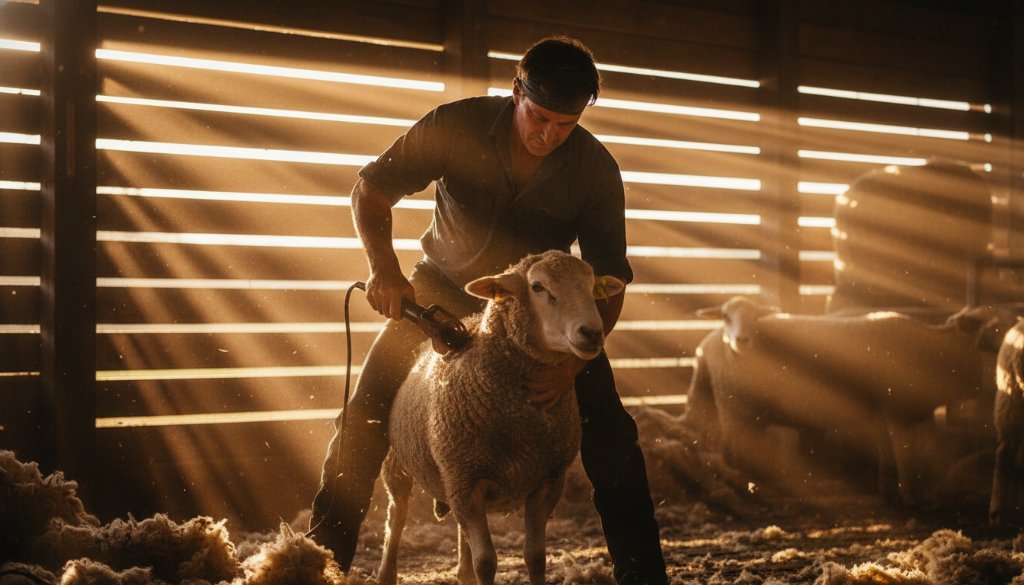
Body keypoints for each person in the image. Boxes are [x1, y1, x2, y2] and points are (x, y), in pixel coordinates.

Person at [308, 35, 668, 585]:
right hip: (441, 294)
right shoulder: (457, 124)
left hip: (541, 312)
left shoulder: (594, 168)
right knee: (367, 415)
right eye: (540, 117)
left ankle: (644, 576)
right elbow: (371, 189)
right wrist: (384, 269)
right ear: (515, 90)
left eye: (565, 125)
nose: (549, 135)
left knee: (611, 431)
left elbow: (608, 276)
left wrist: (573, 366)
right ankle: (313, 565)